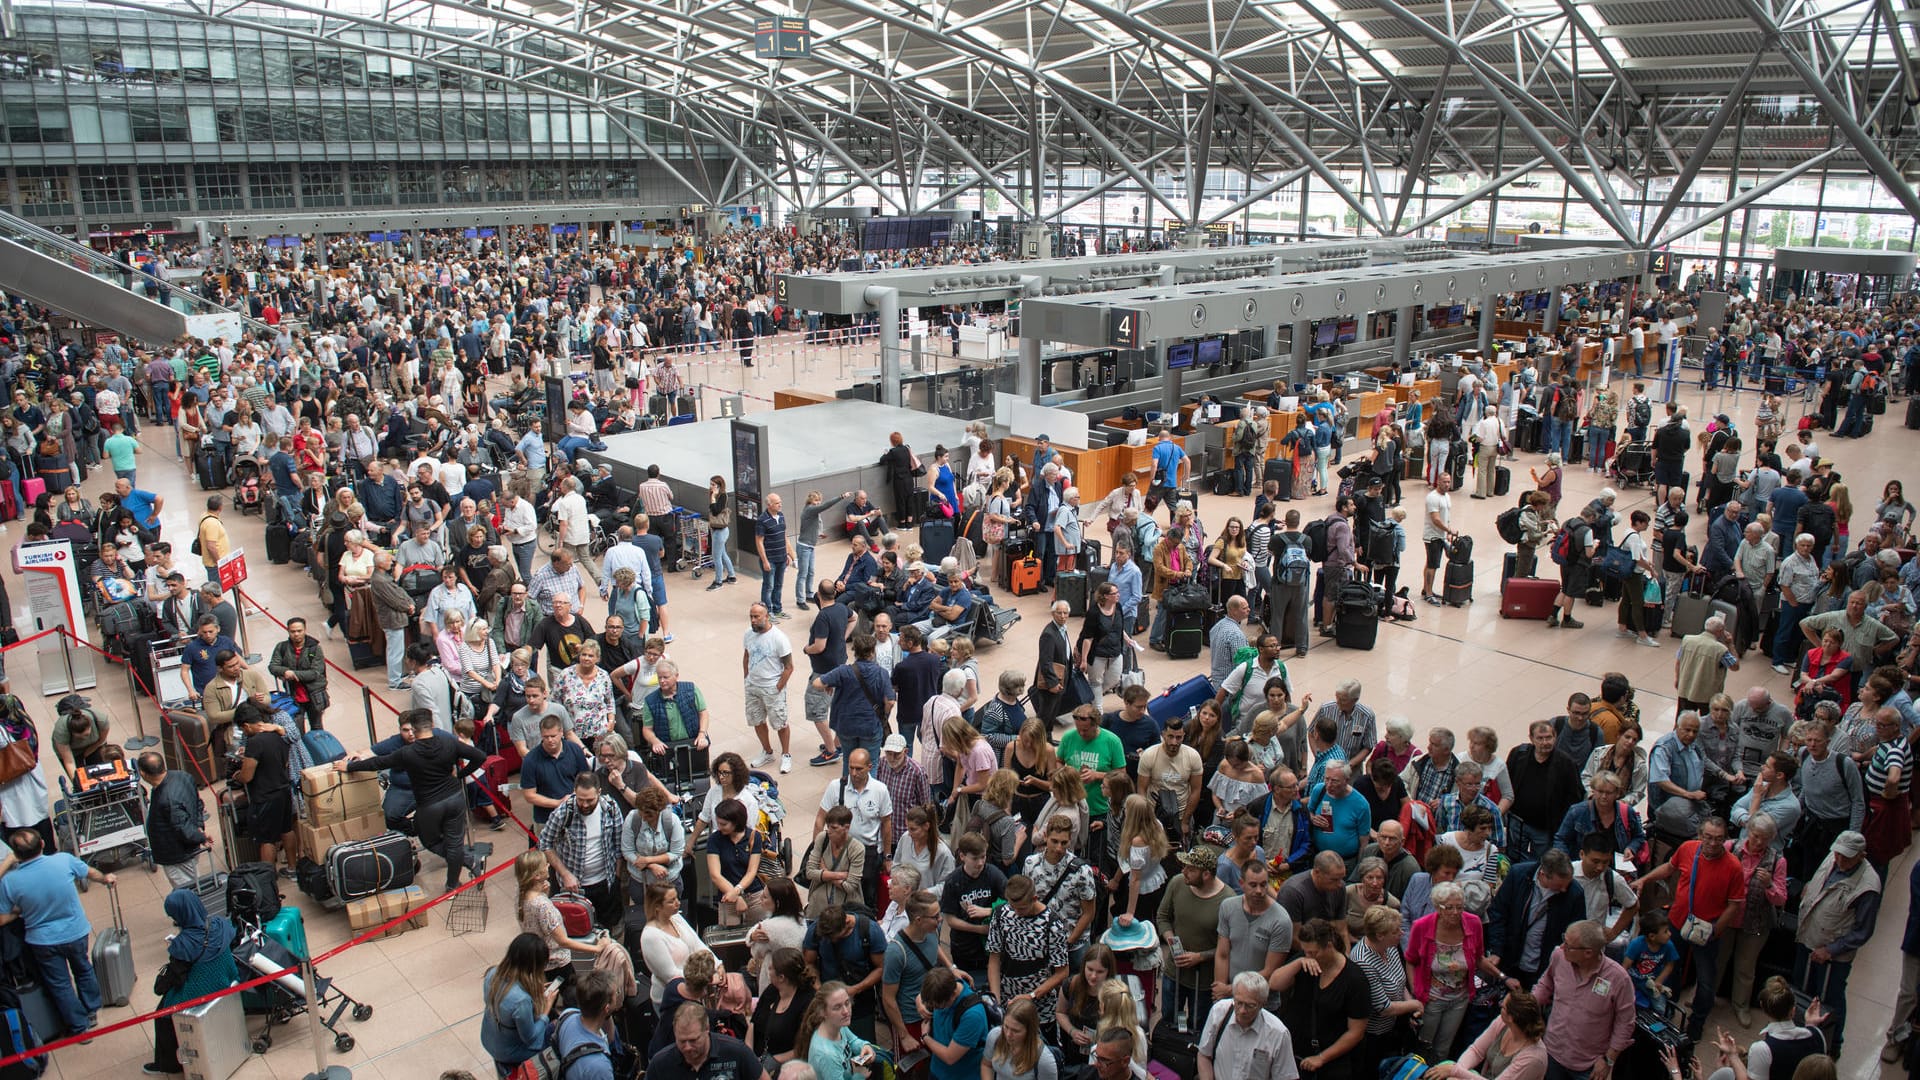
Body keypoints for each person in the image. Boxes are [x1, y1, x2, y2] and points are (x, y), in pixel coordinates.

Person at [1629, 816, 1745, 1042]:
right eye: (1708, 837)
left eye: (1719, 839)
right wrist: (1644, 880)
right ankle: (1667, 1010)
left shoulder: (1733, 867)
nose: (1713, 843)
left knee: (1705, 980)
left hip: (1707, 931)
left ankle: (1697, 1023)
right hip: (1676, 922)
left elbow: (1734, 905)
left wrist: (1716, 930)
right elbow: (1669, 868)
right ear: (1700, 836)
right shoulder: (1688, 849)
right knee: (1670, 968)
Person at [0, 829, 114, 1036]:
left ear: (16, 855)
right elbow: (90, 873)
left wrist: (20, 911)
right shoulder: (63, 860)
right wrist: (106, 878)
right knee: (83, 969)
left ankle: (79, 1027)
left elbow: (2, 918)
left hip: (42, 941)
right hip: (75, 931)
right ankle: (91, 1011)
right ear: (42, 844)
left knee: (60, 984)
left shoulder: (10, 882)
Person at [1792, 829, 1880, 1052]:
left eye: (1847, 857)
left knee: (1831, 999)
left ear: (1862, 855)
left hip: (1832, 953)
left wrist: (1831, 950)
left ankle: (1832, 1045)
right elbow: (1819, 878)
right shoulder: (1834, 856)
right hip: (1808, 936)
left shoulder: (1868, 886)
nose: (1840, 860)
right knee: (1802, 990)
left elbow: (1863, 931)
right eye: (1838, 854)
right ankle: (1800, 1033)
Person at [149, 887, 241, 1077]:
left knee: (162, 1014)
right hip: (226, 980)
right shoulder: (219, 923)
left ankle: (168, 1064)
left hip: (200, 991)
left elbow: (174, 977)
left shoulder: (183, 944)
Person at [1533, 921, 1634, 1080]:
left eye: (1568, 945)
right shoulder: (1559, 957)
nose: (1561, 947)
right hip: (1551, 1053)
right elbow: (1546, 984)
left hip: (1589, 1066)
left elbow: (1625, 1022)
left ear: (1588, 953)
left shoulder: (1618, 978)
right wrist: (1528, 1006)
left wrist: (1608, 1060)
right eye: (1563, 940)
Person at [1270, 918, 1368, 1079]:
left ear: (1329, 946)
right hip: (1296, 1052)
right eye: (1305, 951)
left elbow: (1356, 1031)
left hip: (1331, 1062)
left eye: (1313, 952)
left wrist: (1322, 1058)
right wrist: (1299, 962)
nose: (1309, 955)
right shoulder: (1306, 960)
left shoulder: (1354, 979)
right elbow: (1275, 983)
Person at [1484, 850, 1586, 994]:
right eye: (1559, 885)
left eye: (1567, 884)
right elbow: (1498, 913)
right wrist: (1497, 950)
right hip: (1511, 960)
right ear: (1542, 875)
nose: (1564, 890)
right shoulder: (1518, 875)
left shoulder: (1574, 893)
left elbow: (1577, 932)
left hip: (1544, 967)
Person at [1406, 880, 1487, 1060]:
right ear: (1437, 907)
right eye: (1449, 908)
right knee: (1423, 1047)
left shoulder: (1473, 923)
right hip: (1431, 998)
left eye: (1460, 907)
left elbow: (1480, 958)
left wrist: (1503, 977)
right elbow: (1411, 960)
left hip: (1460, 998)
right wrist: (1416, 992)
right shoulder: (1421, 926)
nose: (1455, 912)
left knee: (1443, 1049)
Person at [481, 932, 561, 1077]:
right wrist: (546, 1009)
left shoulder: (491, 974)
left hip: (488, 1037)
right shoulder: (521, 1000)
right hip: (509, 1051)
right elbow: (530, 1038)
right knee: (557, 1033)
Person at [1196, 970, 1299, 1080]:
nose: (1242, 1011)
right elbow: (1204, 1055)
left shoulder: (1278, 1033)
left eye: (1250, 1005)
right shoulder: (1219, 1012)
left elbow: (1287, 1076)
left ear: (1262, 1004)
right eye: (1238, 1003)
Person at [1421, 991, 1548, 1080]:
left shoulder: (1533, 1058)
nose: (1499, 1006)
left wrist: (1455, 1071)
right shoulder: (1502, 1022)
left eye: (1503, 1007)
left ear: (1512, 1017)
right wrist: (1456, 1074)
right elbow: (1476, 1050)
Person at [138, 752, 211, 889]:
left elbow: (184, 831)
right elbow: (198, 804)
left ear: (143, 773)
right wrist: (199, 827)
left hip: (178, 855)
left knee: (189, 891)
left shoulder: (167, 799)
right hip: (184, 848)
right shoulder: (183, 776)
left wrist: (200, 836)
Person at [646, 1001, 764, 1080]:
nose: (687, 1047)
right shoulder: (660, 1064)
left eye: (693, 1040)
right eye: (682, 1041)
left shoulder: (737, 1052)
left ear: (707, 1028)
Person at [744, 603, 796, 774]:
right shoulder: (748, 634)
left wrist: (778, 687)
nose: (753, 620)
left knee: (780, 723)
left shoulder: (779, 638)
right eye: (751, 616)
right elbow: (746, 656)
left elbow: (789, 667)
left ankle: (786, 755)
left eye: (756, 616)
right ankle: (767, 752)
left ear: (766, 616)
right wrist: (746, 677)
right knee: (757, 721)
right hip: (753, 686)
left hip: (772, 688)